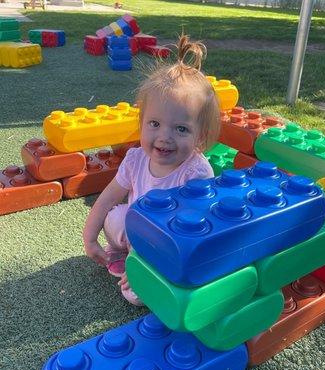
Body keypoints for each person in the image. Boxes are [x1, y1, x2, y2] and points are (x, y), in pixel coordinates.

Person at [83, 34, 221, 305]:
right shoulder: (135, 159)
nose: (164, 137)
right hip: (136, 233)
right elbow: (107, 198)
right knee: (115, 216)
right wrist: (90, 239)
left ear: (200, 138)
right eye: (155, 124)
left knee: (136, 297)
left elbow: (187, 236)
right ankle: (124, 253)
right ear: (142, 122)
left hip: (168, 247)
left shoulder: (196, 173)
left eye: (181, 129)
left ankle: (143, 271)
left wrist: (146, 267)